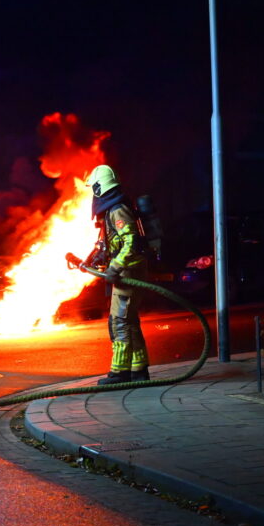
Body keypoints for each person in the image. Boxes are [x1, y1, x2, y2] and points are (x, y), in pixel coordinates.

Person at [85, 165, 150, 384]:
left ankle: (119, 372)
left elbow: (130, 241)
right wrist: (91, 259)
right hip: (127, 271)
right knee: (130, 321)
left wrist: (115, 267)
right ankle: (138, 370)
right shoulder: (113, 209)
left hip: (128, 272)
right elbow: (111, 242)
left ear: (98, 187)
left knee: (120, 321)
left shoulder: (117, 210)